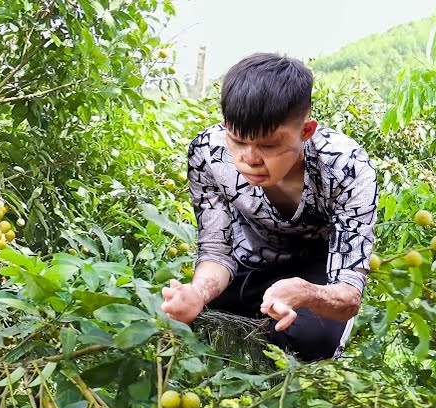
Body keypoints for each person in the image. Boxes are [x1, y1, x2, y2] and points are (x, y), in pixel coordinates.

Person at [160, 53, 378, 361]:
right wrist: (197, 293)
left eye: (268, 145)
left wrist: (305, 293)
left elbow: (348, 295)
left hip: (317, 266)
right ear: (225, 126)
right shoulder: (209, 153)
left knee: (313, 343)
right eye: (237, 141)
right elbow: (216, 251)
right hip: (247, 257)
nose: (249, 158)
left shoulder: (348, 168)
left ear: (306, 131)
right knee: (189, 315)